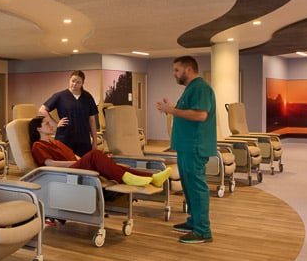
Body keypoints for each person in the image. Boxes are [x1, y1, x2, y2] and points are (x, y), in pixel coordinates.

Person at [156, 56, 217, 244]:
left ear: (188, 70)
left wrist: (173, 111)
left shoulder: (200, 88)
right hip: (186, 146)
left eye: (176, 70)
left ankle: (203, 231)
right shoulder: (191, 89)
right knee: (189, 187)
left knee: (197, 188)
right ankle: (193, 222)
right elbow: (189, 112)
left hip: (195, 146)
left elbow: (200, 114)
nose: (174, 74)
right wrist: (172, 108)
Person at [28, 116, 171, 193]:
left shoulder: (55, 142)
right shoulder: (38, 146)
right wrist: (79, 162)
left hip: (76, 166)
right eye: (47, 123)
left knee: (110, 164)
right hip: (64, 173)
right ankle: (135, 178)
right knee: (95, 154)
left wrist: (82, 160)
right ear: (38, 129)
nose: (51, 125)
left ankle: (152, 177)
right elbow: (50, 164)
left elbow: (75, 156)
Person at [39, 70, 98, 156]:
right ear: (69, 80)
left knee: (84, 165)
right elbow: (42, 110)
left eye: (78, 82)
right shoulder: (60, 96)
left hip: (83, 139)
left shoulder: (87, 97)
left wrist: (95, 142)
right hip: (64, 137)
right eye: (73, 81)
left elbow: (92, 120)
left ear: (82, 83)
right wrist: (55, 124)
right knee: (66, 164)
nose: (74, 84)